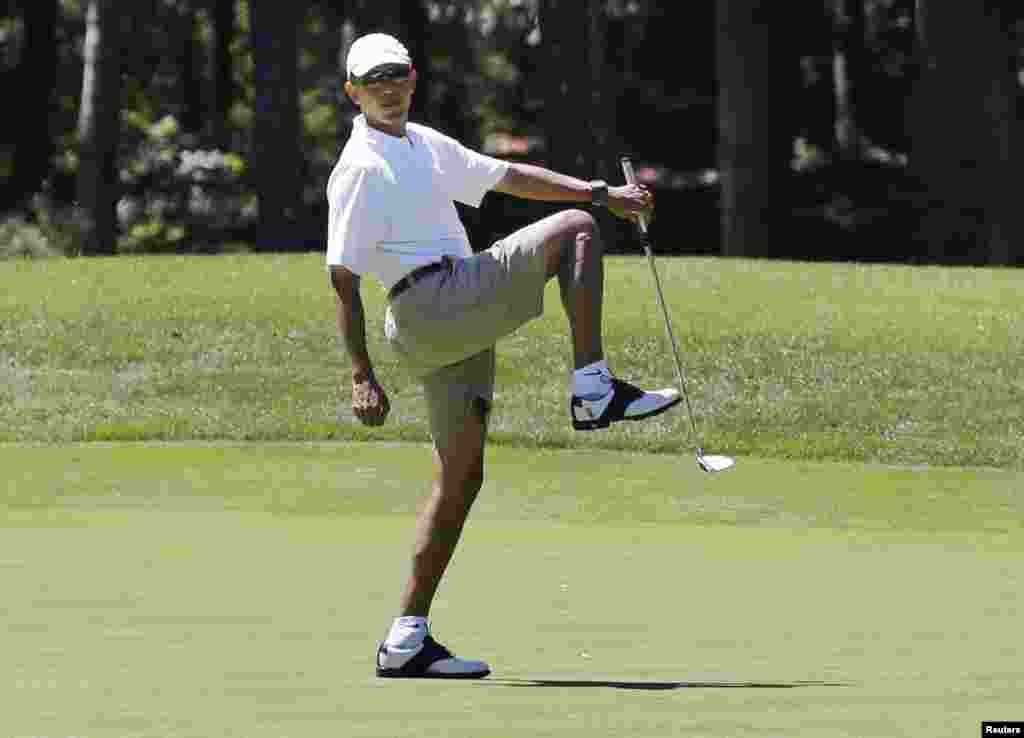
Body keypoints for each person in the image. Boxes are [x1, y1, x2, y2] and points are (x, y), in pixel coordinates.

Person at [327, 33, 680, 680]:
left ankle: (406, 636)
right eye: (372, 79)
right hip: (430, 303)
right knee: (573, 233)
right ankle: (593, 390)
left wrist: (598, 192)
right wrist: (361, 375)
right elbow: (342, 278)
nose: (388, 86)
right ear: (352, 91)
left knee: (461, 475)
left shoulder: (425, 145)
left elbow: (509, 176)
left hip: (449, 314)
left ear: (412, 77)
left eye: (396, 74)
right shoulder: (359, 167)